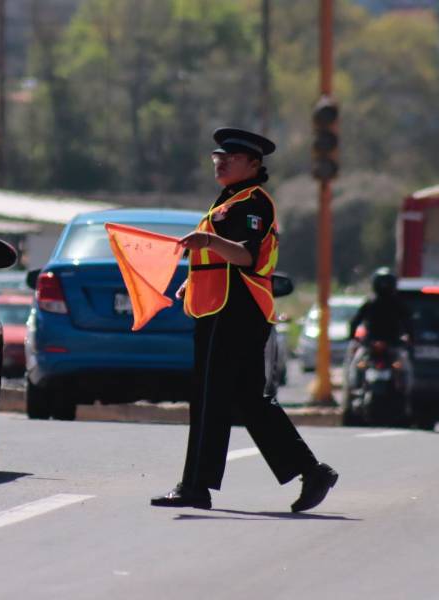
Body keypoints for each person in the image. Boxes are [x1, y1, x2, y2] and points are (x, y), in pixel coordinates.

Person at [150, 127, 338, 513]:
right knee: (248, 400)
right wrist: (193, 281)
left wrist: (207, 242)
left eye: (230, 158)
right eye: (216, 156)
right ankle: (312, 471)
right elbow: (219, 262)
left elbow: (247, 257)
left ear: (253, 164)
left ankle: (196, 486)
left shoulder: (252, 203)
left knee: (209, 396)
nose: (219, 162)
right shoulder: (230, 200)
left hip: (235, 312)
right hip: (224, 308)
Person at [346, 267, 414, 389]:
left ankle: (404, 390)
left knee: (404, 366)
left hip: (390, 344)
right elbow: (409, 324)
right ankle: (354, 388)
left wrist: (352, 337)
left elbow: (409, 323)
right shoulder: (375, 303)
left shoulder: (394, 304)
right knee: (357, 362)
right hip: (373, 345)